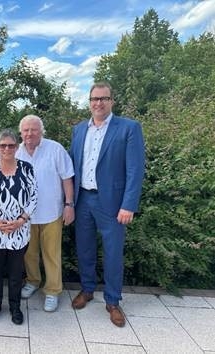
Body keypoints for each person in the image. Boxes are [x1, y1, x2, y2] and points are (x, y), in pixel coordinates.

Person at [69, 82, 145, 327]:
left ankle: (113, 301)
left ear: (112, 101)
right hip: (83, 199)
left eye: (103, 98)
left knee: (113, 253)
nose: (98, 103)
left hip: (112, 203)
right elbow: (72, 167)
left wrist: (129, 205)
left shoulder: (129, 128)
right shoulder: (79, 130)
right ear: (89, 102)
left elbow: (135, 169)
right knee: (85, 249)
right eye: (94, 99)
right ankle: (87, 289)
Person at [0, 129, 37, 325]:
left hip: (19, 232)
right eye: (3, 145)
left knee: (15, 274)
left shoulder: (27, 168)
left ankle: (15, 307)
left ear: (17, 147)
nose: (7, 149)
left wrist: (21, 220)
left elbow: (34, 198)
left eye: (11, 145)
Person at [16, 115, 75, 312]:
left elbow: (67, 178)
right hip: (25, 215)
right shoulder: (16, 152)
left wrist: (69, 204)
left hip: (52, 213)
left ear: (41, 131)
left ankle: (52, 291)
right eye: (25, 130)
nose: (29, 134)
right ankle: (33, 281)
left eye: (33, 130)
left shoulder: (55, 149)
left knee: (51, 254)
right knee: (29, 254)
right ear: (21, 133)